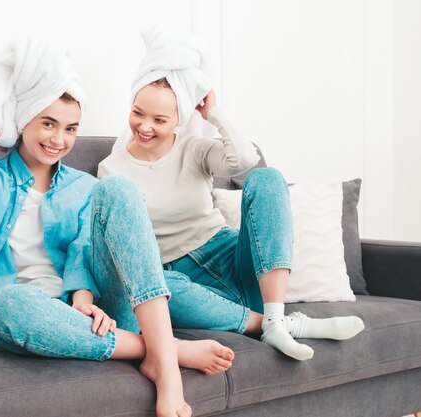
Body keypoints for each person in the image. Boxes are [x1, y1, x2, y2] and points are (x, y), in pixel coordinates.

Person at [0, 37, 234, 417]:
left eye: (70, 128)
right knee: (7, 306)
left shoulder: (84, 187)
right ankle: (165, 350)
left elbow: (84, 250)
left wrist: (83, 301)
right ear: (23, 119)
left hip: (94, 316)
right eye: (48, 123)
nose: (58, 139)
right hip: (29, 317)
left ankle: (165, 372)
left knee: (119, 188)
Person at [98, 26, 365, 361]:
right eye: (138, 113)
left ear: (178, 118)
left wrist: (213, 113)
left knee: (267, 178)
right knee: (157, 290)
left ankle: (274, 313)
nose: (145, 126)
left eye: (159, 119)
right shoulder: (112, 170)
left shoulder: (194, 149)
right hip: (180, 279)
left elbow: (245, 159)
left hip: (230, 257)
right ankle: (280, 325)